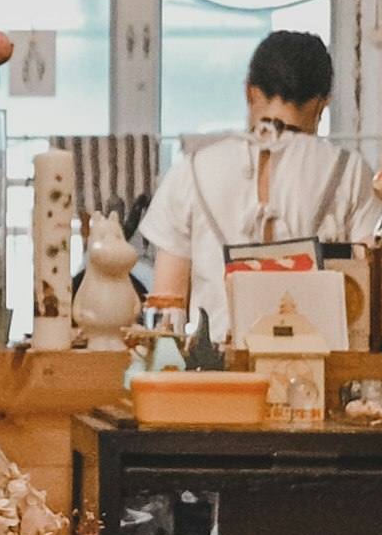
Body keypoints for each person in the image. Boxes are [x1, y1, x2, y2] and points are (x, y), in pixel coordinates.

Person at [140, 30, 359, 319]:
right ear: (322, 103)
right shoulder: (349, 169)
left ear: (249, 92)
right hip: (316, 357)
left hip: (216, 358)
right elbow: (364, 292)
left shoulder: (190, 171)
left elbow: (168, 304)